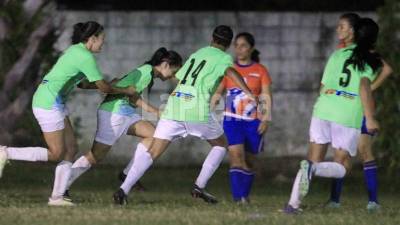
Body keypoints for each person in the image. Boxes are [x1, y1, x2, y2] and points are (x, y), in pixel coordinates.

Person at [113, 25, 255, 205]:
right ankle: (199, 186)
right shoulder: (224, 58)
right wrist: (248, 92)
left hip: (174, 106)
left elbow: (179, 76)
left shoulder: (198, 53)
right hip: (196, 109)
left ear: (212, 38)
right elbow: (230, 71)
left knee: (153, 152)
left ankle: (123, 189)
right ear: (228, 45)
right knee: (220, 144)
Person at [0, 21, 136, 206]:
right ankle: (5, 153)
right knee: (56, 153)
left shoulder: (77, 51)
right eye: (102, 39)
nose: (103, 43)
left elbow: (81, 83)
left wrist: (107, 85)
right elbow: (103, 88)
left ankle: (57, 198)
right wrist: (125, 90)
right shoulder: (84, 56)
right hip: (48, 102)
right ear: (92, 38)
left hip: (53, 101)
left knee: (71, 149)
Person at [283, 18, 382, 214]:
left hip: (323, 108)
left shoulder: (337, 54)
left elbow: (322, 87)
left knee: (312, 159)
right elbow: (364, 86)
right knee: (343, 165)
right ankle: (314, 171)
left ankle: (293, 205)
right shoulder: (368, 58)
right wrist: (369, 117)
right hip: (346, 112)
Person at [63, 48, 182, 200]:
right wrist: (156, 112)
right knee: (95, 156)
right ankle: (63, 185)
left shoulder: (148, 72)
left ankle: (127, 174)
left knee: (154, 136)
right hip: (114, 114)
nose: (174, 75)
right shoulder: (146, 72)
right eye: (174, 70)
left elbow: (127, 90)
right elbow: (133, 98)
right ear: (165, 64)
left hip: (126, 113)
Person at [328, 13, 393, 211]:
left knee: (364, 151)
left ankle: (373, 202)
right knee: (340, 157)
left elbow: (387, 69)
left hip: (362, 109)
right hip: (346, 110)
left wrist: (371, 88)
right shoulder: (343, 51)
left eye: (343, 27)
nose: (339, 30)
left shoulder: (366, 51)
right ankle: (334, 201)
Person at [211, 32, 272, 203]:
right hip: (232, 120)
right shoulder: (228, 69)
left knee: (250, 162)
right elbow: (218, 92)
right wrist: (208, 108)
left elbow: (266, 95)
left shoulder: (260, 70)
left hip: (254, 121)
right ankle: (238, 199)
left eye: (243, 45)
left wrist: (266, 119)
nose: (239, 49)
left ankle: (244, 196)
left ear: (251, 48)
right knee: (236, 157)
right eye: (236, 45)